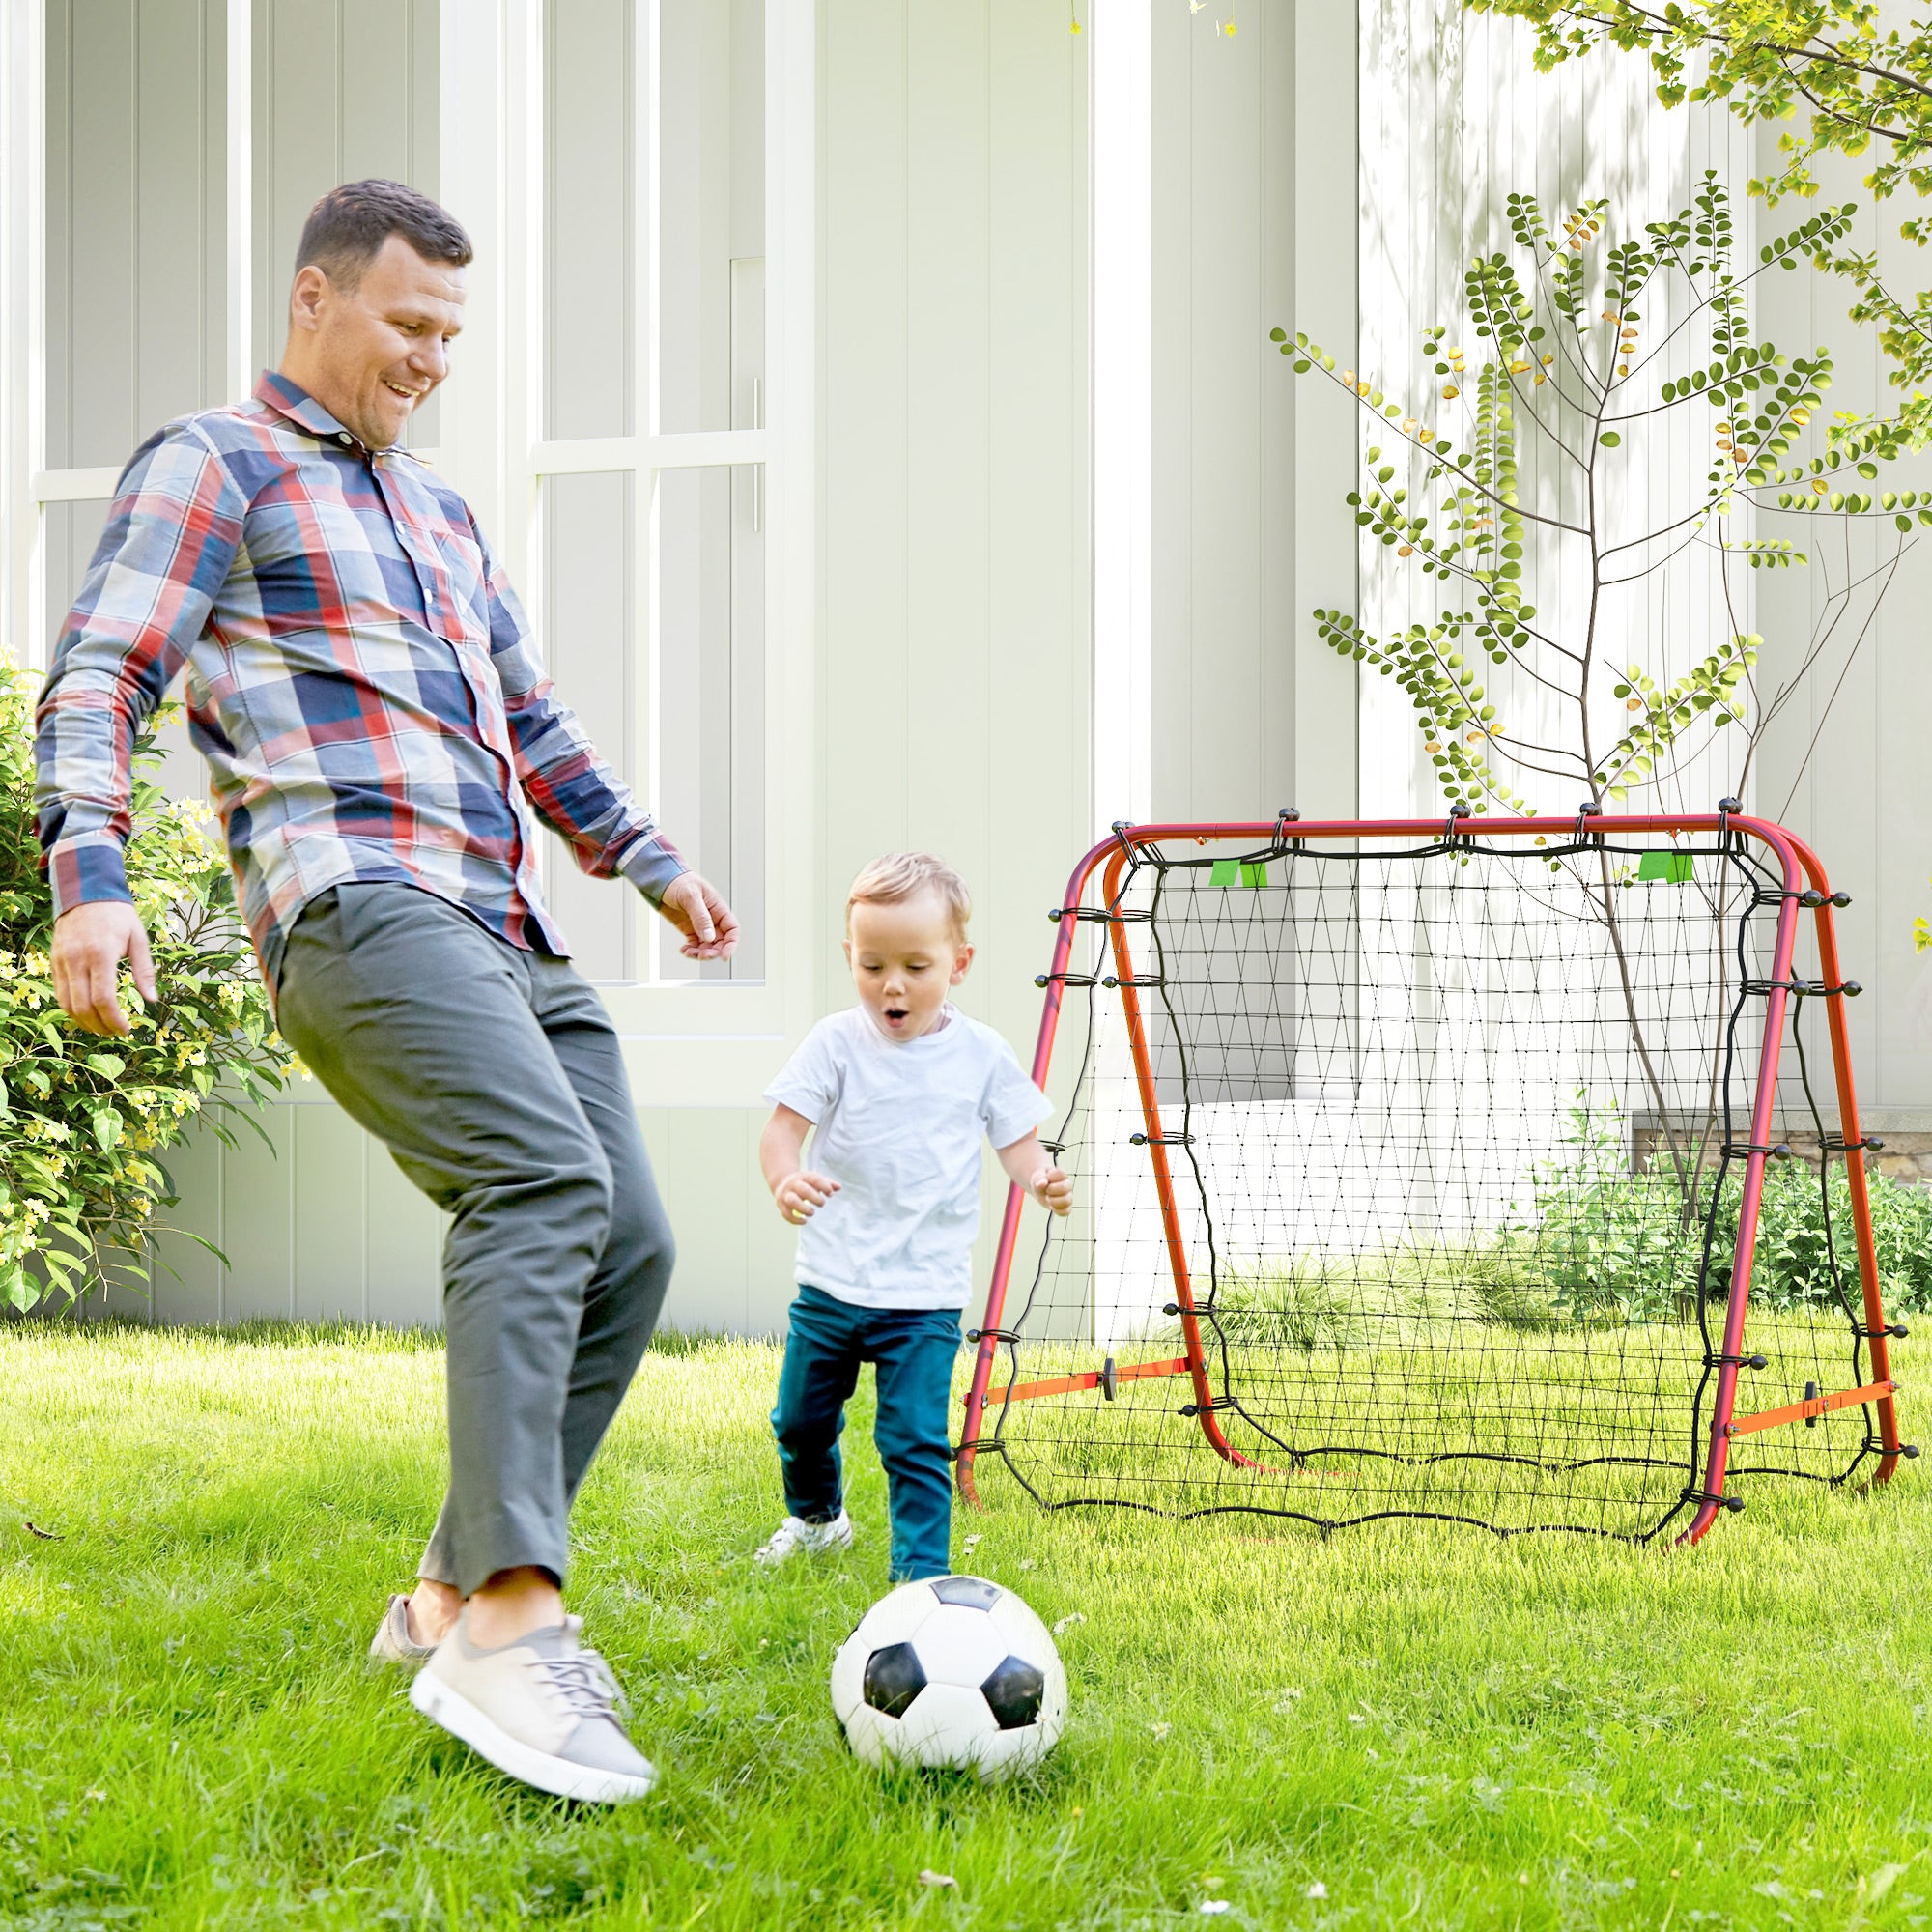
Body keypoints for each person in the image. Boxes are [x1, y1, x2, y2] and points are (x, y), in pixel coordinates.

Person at [34, 179, 735, 1804]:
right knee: (537, 1181)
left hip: (505, 922)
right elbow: (100, 675)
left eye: (450, 337)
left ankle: (435, 1599)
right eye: (409, 324)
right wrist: (95, 879)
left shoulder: (441, 517)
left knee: (625, 1240)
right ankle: (507, 1623)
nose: (431, 360)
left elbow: (529, 719)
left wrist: (646, 859)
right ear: (315, 299)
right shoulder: (215, 465)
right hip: (358, 903)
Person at [754, 853, 1072, 1582]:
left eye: (915, 967)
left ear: (958, 964)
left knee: (914, 1439)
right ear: (850, 957)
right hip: (833, 1282)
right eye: (872, 966)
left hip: (924, 1295)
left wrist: (1043, 1179)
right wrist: (785, 1179)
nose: (891, 985)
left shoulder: (982, 1054)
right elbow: (781, 1132)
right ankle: (815, 1521)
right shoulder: (835, 1043)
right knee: (799, 1422)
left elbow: (1019, 1147)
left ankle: (921, 1579)